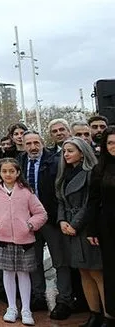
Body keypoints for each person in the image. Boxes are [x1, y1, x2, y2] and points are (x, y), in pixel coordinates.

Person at [0, 158, 47, 326]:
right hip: (2, 239)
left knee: (24, 274)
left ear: (18, 173)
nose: (8, 174)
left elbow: (41, 213)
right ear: (0, 173)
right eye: (4, 171)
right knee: (8, 273)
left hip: (24, 240)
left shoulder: (26, 191)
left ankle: (26, 309)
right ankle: (11, 307)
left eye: (11, 171)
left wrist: (30, 225)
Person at [20, 130, 75, 320]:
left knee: (60, 261)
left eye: (36, 142)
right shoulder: (20, 161)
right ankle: (38, 296)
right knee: (33, 262)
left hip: (51, 219)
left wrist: (60, 217)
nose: (33, 147)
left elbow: (60, 191)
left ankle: (65, 299)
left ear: (42, 142)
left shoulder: (55, 161)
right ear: (23, 145)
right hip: (29, 221)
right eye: (29, 144)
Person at [56, 137, 108, 327]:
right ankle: (94, 313)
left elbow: (90, 203)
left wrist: (75, 224)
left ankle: (107, 314)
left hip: (86, 228)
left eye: (70, 151)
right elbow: (60, 199)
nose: (66, 154)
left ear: (82, 152)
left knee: (96, 272)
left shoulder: (90, 173)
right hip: (69, 227)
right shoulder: (64, 173)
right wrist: (61, 220)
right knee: (83, 272)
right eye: (64, 151)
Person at [88, 126, 115, 325]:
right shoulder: (100, 168)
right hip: (109, 227)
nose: (114, 146)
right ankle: (111, 314)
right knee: (111, 272)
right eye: (111, 143)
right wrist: (92, 229)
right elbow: (93, 201)